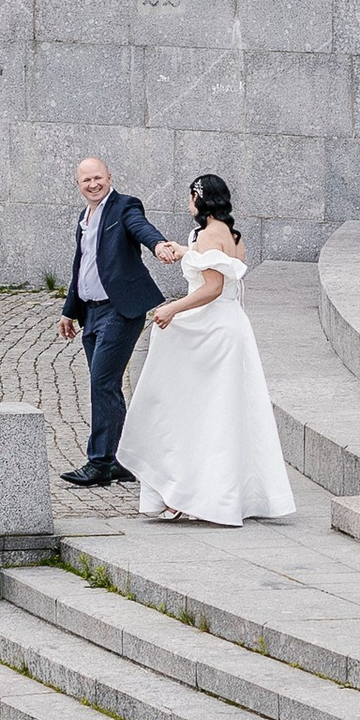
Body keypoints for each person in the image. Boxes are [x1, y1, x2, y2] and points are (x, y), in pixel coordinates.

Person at [116, 176, 298, 526]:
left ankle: (187, 491)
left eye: (190, 197)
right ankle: (214, 493)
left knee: (190, 408)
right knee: (223, 412)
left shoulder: (208, 233)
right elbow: (217, 269)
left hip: (211, 328)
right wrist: (185, 251)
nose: (188, 203)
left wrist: (174, 308)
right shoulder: (233, 235)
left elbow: (213, 287)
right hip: (232, 325)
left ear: (199, 198)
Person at [56, 153, 168, 489]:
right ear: (79, 186)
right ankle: (120, 459)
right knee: (108, 386)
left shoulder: (124, 207)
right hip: (91, 312)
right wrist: (69, 310)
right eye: (86, 180)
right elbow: (82, 267)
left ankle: (100, 462)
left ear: (109, 177)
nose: (93, 184)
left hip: (121, 310)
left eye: (97, 178)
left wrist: (158, 244)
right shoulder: (85, 216)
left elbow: (140, 227)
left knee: (102, 383)